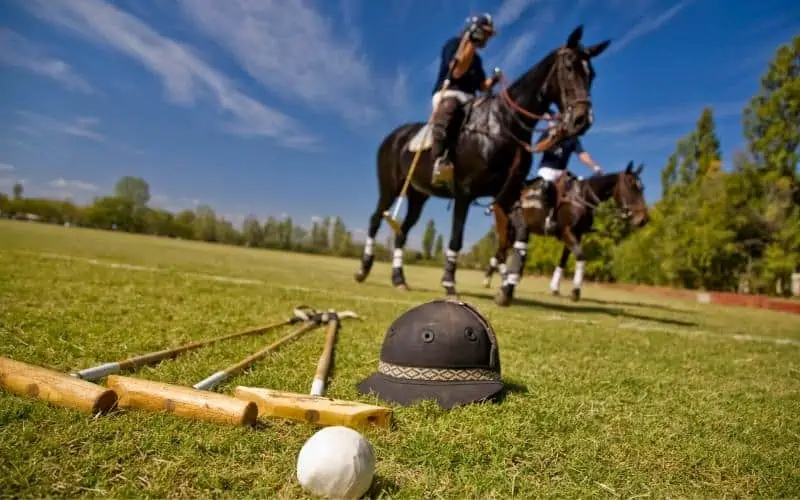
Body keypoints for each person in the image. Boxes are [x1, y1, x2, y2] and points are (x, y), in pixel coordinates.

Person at [430, 13, 502, 188]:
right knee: (450, 106)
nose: (487, 39)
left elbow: (482, 86)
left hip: (470, 98)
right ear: (475, 29)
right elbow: (457, 72)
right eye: (486, 33)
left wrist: (494, 79)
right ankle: (439, 160)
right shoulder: (454, 44)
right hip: (450, 93)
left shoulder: (477, 59)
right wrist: (471, 43)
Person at [535, 115, 603, 234]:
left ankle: (586, 221)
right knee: (546, 189)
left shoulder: (572, 138)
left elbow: (582, 155)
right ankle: (548, 218)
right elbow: (537, 149)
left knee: (582, 188)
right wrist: (551, 138)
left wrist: (595, 167)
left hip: (562, 172)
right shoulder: (548, 134)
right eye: (559, 121)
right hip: (546, 170)